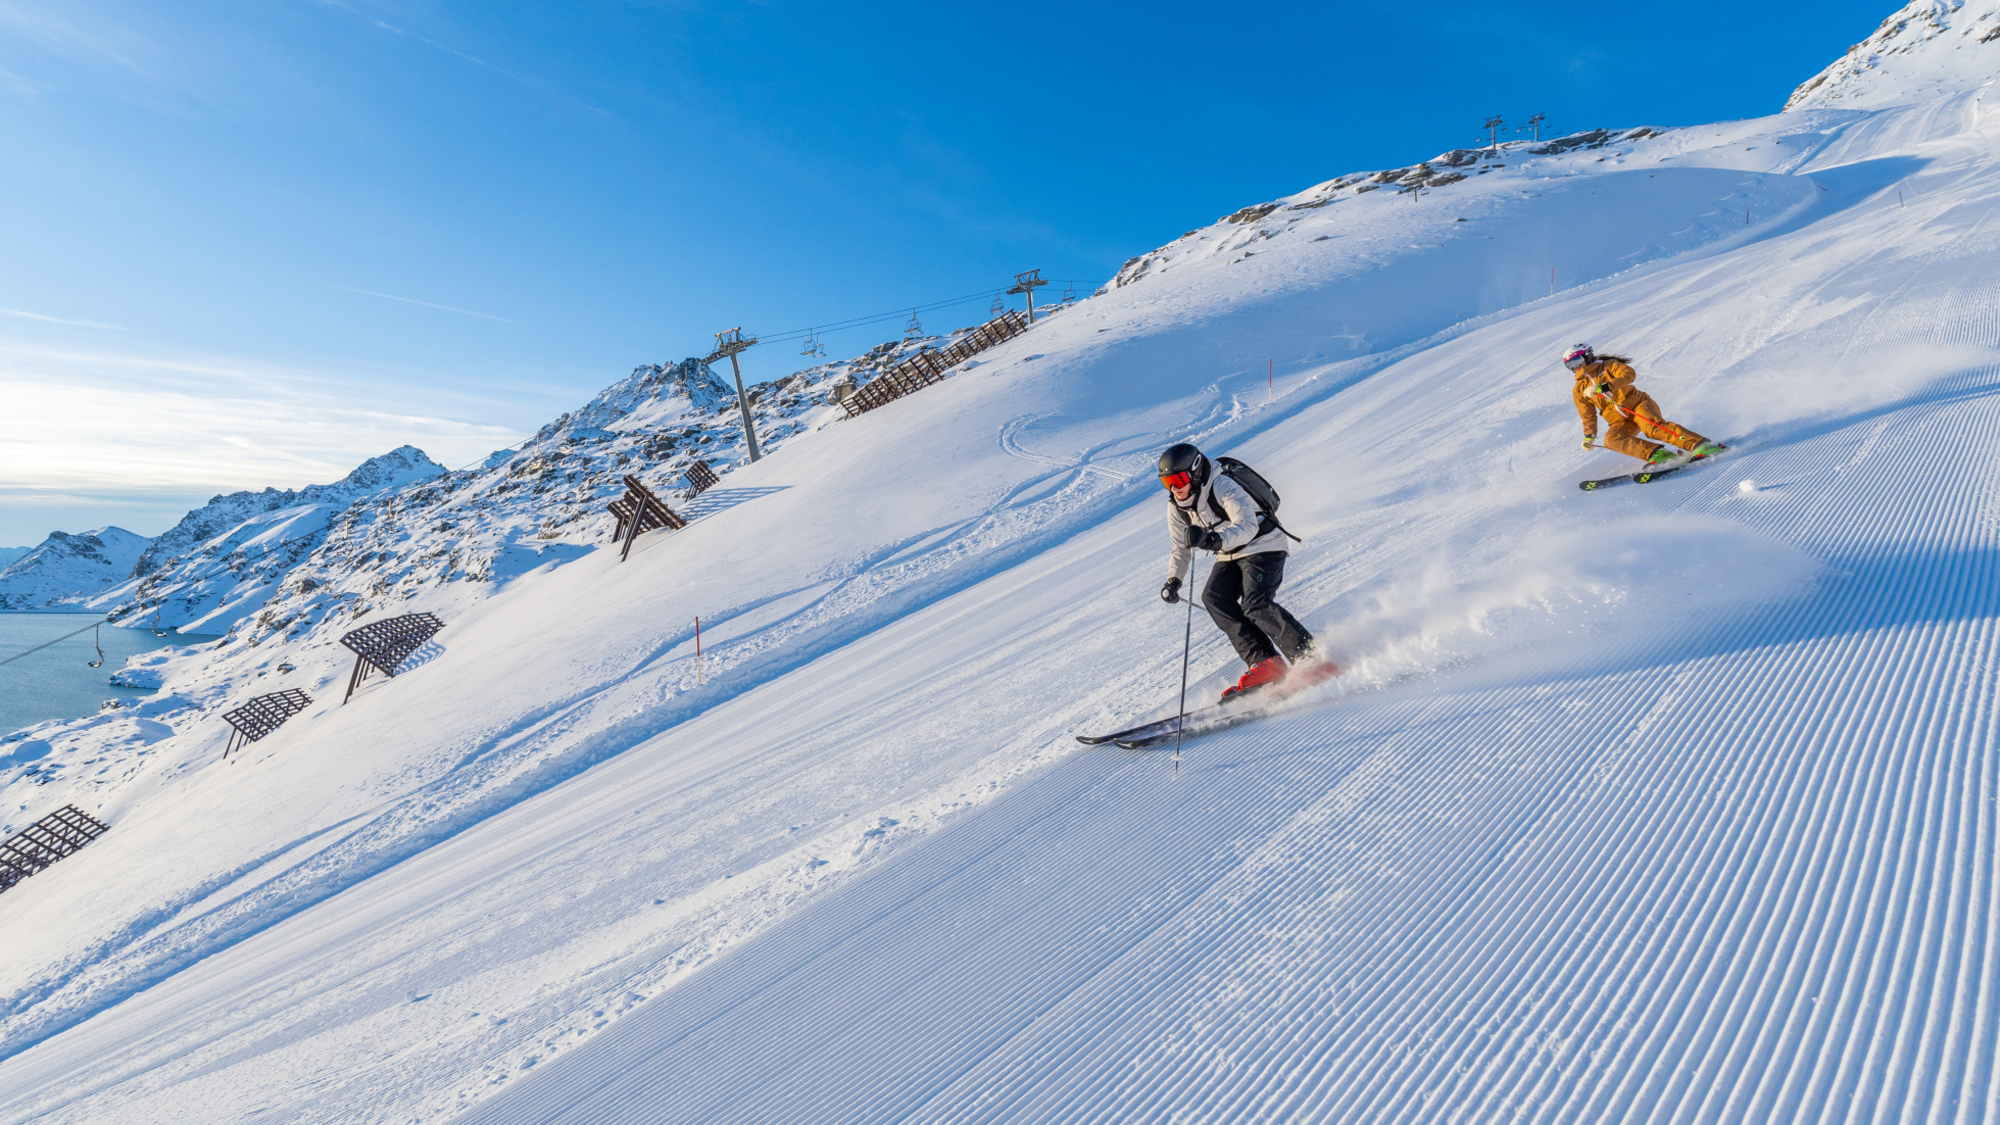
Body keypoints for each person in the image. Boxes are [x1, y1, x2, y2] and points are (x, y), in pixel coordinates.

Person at [1156, 443, 1318, 702]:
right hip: (1231, 552)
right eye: (1167, 483)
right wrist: (1174, 580)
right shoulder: (1176, 507)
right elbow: (1180, 547)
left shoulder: (1222, 486)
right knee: (1214, 598)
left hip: (1264, 544)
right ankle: (1266, 663)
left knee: (1256, 604)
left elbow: (1248, 525)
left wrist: (1212, 540)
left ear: (1195, 473)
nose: (1174, 488)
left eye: (1179, 479)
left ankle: (1309, 659)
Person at [1564, 344, 1724, 465]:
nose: (1575, 367)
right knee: (1612, 440)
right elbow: (1587, 415)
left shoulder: (1608, 366)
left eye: (1577, 361)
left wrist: (1604, 386)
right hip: (1619, 420)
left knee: (1653, 428)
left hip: (1638, 405)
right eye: (1570, 366)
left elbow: (1629, 374)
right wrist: (1589, 436)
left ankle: (1699, 445)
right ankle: (1659, 454)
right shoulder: (1579, 389)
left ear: (1588, 356)